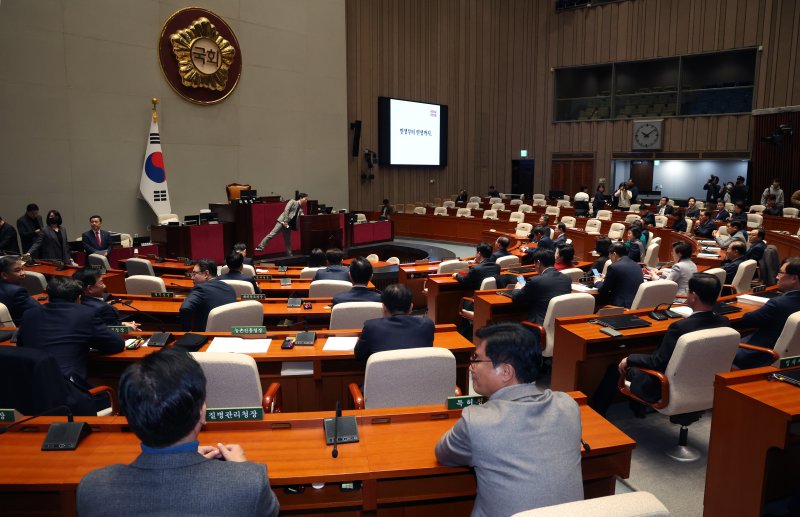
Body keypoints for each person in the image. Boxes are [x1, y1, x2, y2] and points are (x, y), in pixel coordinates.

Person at [76, 348, 280, 517]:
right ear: (202, 412)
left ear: (129, 418)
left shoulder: (93, 488)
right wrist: (243, 468)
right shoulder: (249, 482)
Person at [435, 323, 583, 515]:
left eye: (477, 360)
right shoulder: (568, 406)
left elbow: (443, 453)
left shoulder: (477, 422)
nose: (472, 367)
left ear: (506, 372)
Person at [591, 273, 729, 415]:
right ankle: (637, 409)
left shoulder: (680, 328)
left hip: (664, 385)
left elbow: (657, 362)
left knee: (615, 368)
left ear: (693, 296)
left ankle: (596, 414)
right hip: (704, 385)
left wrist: (629, 358)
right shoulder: (724, 323)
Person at [16, 276, 124, 381]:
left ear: (49, 297)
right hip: (66, 384)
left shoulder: (29, 314)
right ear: (79, 298)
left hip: (29, 382)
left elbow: (21, 344)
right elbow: (116, 344)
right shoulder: (85, 314)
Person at [733, 258, 800, 369]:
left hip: (761, 356)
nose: (777, 277)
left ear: (794, 278)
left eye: (781, 273)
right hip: (792, 358)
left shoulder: (778, 304)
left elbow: (747, 321)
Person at [354, 284, 434, 361]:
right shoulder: (427, 325)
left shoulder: (371, 327)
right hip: (419, 374)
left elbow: (359, 355)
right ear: (411, 307)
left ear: (384, 308)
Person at [510, 249, 571, 325]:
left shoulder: (535, 281)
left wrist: (518, 288)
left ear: (538, 263)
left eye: (534, 264)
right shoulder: (567, 278)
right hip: (560, 325)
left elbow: (516, 299)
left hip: (539, 325)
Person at [72, 268, 140, 330]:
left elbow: (101, 326)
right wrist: (130, 329)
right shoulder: (105, 309)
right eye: (101, 282)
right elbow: (111, 333)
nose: (105, 286)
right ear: (90, 289)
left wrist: (122, 324)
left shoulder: (74, 301)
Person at [179, 259, 237, 331]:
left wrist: (187, 331)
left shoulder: (200, 288)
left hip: (208, 336)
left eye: (194, 273)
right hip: (229, 334)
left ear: (206, 274)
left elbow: (185, 308)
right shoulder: (230, 288)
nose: (192, 277)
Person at [595, 243, 643, 309]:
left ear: (614, 254)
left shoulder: (613, 267)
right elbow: (624, 280)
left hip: (620, 307)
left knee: (594, 305)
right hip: (634, 304)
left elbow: (603, 290)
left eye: (609, 254)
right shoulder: (637, 265)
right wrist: (607, 277)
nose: (608, 256)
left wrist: (597, 281)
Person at [0, 256, 40, 326]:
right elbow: (39, 310)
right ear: (4, 275)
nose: (23, 273)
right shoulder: (17, 292)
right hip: (24, 327)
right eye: (18, 270)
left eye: (22, 269)